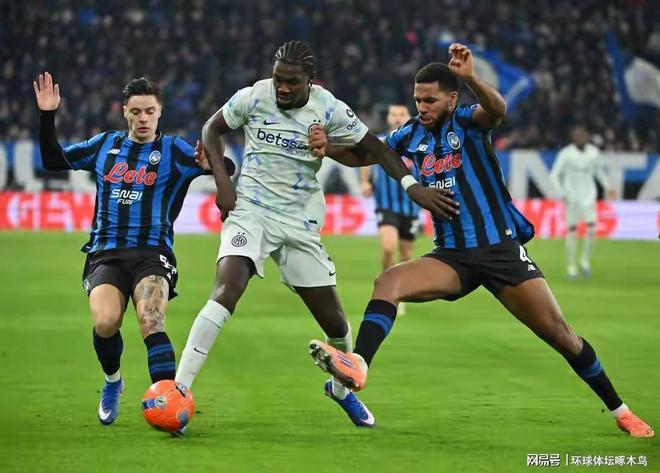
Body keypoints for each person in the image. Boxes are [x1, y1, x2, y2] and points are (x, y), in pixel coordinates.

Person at [309, 44, 654, 437]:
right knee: (388, 281)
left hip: (500, 252)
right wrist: (328, 148)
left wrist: (472, 77)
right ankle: (358, 365)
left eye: (430, 100)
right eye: (418, 99)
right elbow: (364, 155)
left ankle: (621, 410)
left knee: (562, 336)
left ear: (452, 98)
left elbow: (497, 110)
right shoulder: (410, 134)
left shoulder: (468, 122)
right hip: (452, 257)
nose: (422, 107)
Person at [174, 41, 459, 428]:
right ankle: (179, 390)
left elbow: (374, 149)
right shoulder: (254, 96)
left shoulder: (329, 108)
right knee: (227, 288)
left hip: (300, 221)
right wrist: (224, 183)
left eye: (292, 82)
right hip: (251, 211)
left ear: (311, 80)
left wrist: (413, 187)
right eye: (278, 78)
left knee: (336, 324)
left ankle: (341, 389)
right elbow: (212, 129)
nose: (282, 87)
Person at [34, 72, 234, 426]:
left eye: (150, 112)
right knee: (106, 322)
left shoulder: (174, 150)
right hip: (106, 253)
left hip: (152, 253)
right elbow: (53, 160)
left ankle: (168, 403)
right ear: (124, 112)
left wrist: (212, 164)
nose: (143, 119)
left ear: (160, 113)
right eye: (136, 112)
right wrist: (47, 114)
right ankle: (113, 381)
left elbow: (226, 167)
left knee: (151, 319)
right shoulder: (104, 145)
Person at [359, 104, 420, 315]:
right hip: (386, 205)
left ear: (409, 117)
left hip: (411, 207)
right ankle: (389, 285)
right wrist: (364, 181)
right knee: (388, 247)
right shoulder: (380, 142)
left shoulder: (417, 143)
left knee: (406, 254)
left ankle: (400, 290)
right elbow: (365, 160)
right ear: (388, 118)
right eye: (394, 114)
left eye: (401, 114)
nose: (397, 118)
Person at [550, 126, 615, 278]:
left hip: (588, 196)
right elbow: (555, 174)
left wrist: (608, 186)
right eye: (577, 135)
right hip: (572, 197)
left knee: (592, 228)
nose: (580, 138)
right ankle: (571, 266)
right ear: (573, 137)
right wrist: (561, 193)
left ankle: (585, 260)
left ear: (587, 137)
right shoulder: (566, 154)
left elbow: (599, 172)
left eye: (583, 135)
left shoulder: (593, 153)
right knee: (572, 231)